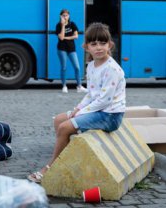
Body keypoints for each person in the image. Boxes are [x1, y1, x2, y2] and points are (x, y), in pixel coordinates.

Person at [28, 22, 126, 183]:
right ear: (86, 47)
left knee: (65, 127)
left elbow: (104, 101)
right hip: (99, 110)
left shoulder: (112, 69)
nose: (99, 47)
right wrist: (77, 108)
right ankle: (65, 159)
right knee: (59, 119)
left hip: (110, 115)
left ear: (110, 45)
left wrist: (80, 113)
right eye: (94, 44)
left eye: (103, 43)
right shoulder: (92, 65)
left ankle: (51, 167)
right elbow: (91, 94)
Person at [56, 9, 87, 93]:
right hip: (62, 49)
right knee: (64, 67)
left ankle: (79, 86)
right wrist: (63, 25)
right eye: (63, 15)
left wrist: (66, 38)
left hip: (71, 49)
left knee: (77, 67)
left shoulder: (72, 24)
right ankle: (64, 86)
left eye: (66, 15)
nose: (65, 17)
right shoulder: (58, 25)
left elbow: (76, 36)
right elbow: (61, 37)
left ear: (69, 16)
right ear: (60, 16)